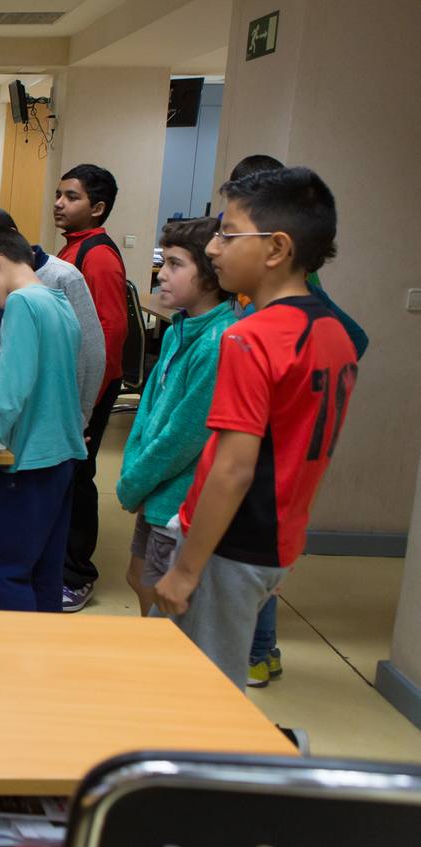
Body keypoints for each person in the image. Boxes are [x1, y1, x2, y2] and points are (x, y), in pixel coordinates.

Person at [152, 166, 356, 691]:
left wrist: (186, 570)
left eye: (229, 234)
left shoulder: (251, 338)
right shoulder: (334, 331)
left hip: (228, 545)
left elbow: (233, 470)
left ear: (276, 248)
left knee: (202, 691)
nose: (215, 249)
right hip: (278, 540)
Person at [225, 154, 369, 687]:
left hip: (261, 488)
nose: (219, 244)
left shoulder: (287, 312)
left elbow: (350, 339)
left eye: (232, 230)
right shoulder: (257, 314)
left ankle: (260, 652)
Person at [0, 227, 87, 613]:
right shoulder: (58, 301)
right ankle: (41, 663)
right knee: (43, 573)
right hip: (62, 457)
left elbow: (10, 394)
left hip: (31, 462)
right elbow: (49, 384)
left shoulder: (23, 304)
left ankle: (17, 666)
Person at [116, 217, 236, 616]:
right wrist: (136, 476)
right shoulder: (177, 331)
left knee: (161, 595)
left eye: (175, 264)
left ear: (210, 273)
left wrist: (134, 481)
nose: (161, 275)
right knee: (138, 577)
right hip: (155, 488)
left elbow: (184, 436)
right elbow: (149, 413)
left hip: (178, 499)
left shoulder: (218, 343)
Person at [0, 205, 104, 433]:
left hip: (49, 427)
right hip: (4, 420)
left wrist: (78, 420)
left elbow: (91, 355)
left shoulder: (63, 278)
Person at [53, 163, 129, 611]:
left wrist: (84, 408)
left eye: (72, 197)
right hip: (69, 389)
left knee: (79, 478)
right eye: (60, 195)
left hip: (88, 392)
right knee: (64, 478)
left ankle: (77, 575)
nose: (60, 203)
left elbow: (108, 337)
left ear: (97, 209)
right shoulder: (70, 250)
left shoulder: (97, 255)